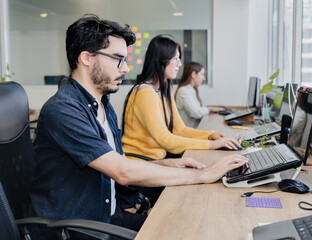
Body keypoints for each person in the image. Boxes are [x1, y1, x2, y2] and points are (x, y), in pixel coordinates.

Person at [29, 14, 248, 239]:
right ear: (87, 58)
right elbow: (122, 172)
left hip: (105, 216)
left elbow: (118, 161)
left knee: (187, 225)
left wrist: (169, 164)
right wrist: (205, 174)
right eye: (118, 59)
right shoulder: (64, 110)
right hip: (76, 228)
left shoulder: (102, 104)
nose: (125, 69)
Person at [121, 36, 240, 162]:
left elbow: (179, 129)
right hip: (141, 162)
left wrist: (209, 135)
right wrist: (211, 145)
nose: (180, 64)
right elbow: (164, 139)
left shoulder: (163, 90)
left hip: (157, 159)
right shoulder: (145, 92)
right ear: (161, 61)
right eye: (175, 59)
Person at [175, 62, 225, 128]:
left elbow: (196, 109)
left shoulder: (190, 90)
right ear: (193, 75)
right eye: (202, 74)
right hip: (188, 131)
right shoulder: (184, 91)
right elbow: (196, 113)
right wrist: (209, 109)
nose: (203, 78)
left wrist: (211, 108)